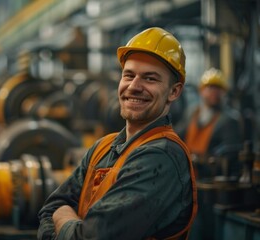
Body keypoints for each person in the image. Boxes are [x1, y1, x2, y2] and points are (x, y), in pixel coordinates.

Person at [37, 27, 197, 240]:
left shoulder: (161, 156)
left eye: (150, 79)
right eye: (129, 75)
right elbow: (50, 208)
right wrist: (66, 224)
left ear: (174, 91)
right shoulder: (103, 147)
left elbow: (91, 236)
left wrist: (63, 218)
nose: (134, 86)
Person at [179, 68, 243, 178]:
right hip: (187, 175)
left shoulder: (230, 120)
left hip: (210, 178)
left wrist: (201, 160)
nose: (214, 92)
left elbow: (229, 154)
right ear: (201, 91)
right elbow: (178, 133)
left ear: (224, 92)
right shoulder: (192, 113)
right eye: (210, 88)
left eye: (218, 88)